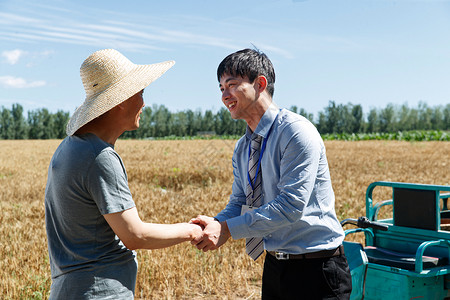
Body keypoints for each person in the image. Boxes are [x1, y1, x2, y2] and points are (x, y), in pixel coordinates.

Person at [191, 48, 352, 299]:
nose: (225, 95)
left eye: (232, 85)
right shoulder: (243, 147)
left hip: (318, 269)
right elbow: (240, 202)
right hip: (276, 266)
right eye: (221, 88)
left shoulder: (296, 132)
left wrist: (227, 229)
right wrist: (215, 223)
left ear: (260, 84)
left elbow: (290, 206)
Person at [44, 49, 202, 299]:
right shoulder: (99, 156)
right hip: (99, 292)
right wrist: (191, 230)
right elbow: (134, 234)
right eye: (140, 92)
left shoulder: (69, 148)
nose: (143, 102)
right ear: (121, 99)